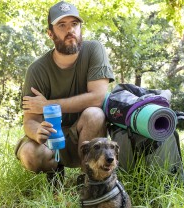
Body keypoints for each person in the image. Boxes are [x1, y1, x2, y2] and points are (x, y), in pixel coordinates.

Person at [15, 1, 114, 181]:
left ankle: (88, 180)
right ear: (50, 33)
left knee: (95, 114)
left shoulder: (94, 50)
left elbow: (98, 97)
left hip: (83, 134)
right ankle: (54, 172)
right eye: (62, 25)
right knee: (29, 154)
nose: (71, 30)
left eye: (74, 24)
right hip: (51, 138)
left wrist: (48, 105)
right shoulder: (37, 70)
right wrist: (37, 131)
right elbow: (30, 120)